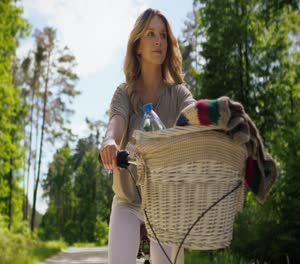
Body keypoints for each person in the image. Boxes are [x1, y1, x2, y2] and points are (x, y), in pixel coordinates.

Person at [100, 8, 195, 264]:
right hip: (128, 200)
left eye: (163, 36)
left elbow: (194, 115)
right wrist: (110, 141)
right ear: (138, 45)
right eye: (151, 34)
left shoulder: (178, 93)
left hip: (166, 202)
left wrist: (214, 121)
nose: (158, 41)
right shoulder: (124, 92)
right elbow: (116, 121)